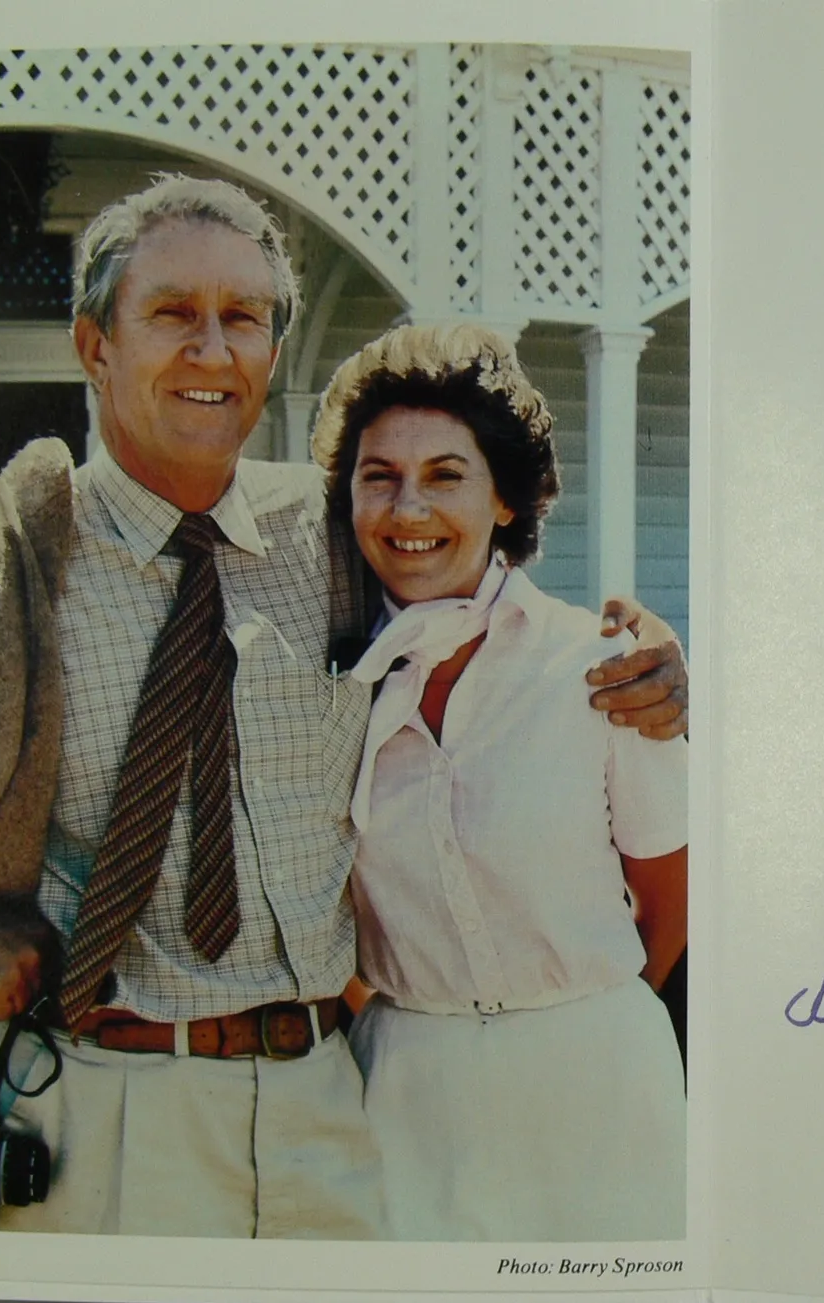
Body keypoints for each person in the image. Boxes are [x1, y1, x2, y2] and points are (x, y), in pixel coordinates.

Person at [0, 174, 688, 1237]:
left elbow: (478, 595)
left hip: (331, 1111)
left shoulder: (339, 538)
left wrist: (652, 662)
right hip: (107, 1104)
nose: (213, 350)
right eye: (172, 314)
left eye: (244, 318)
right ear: (93, 345)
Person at [309, 323, 687, 1241]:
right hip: (407, 1093)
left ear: (507, 499)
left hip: (597, 1085)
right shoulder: (325, 688)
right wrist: (416, 1027)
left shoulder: (600, 667)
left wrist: (555, 1021)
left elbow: (669, 908)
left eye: (446, 475)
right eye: (379, 476)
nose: (409, 509)